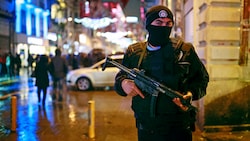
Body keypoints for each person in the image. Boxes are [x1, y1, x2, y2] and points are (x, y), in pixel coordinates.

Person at [114, 5, 209, 141]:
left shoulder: (184, 51)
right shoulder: (134, 52)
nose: (164, 27)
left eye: (168, 23)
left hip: (179, 127)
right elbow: (119, 79)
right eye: (158, 22)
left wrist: (190, 94)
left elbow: (202, 79)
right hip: (146, 129)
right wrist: (123, 84)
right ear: (148, 25)